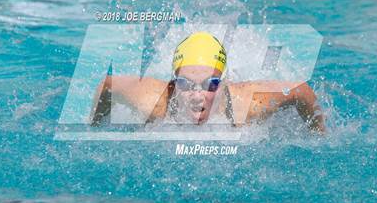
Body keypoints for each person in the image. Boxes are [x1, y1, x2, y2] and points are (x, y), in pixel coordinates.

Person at [91, 32, 325, 132]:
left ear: (222, 84)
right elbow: (106, 84)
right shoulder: (154, 101)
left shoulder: (245, 105)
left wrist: (318, 136)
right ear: (174, 82)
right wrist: (95, 126)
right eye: (185, 84)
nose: (197, 96)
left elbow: (300, 90)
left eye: (210, 84)